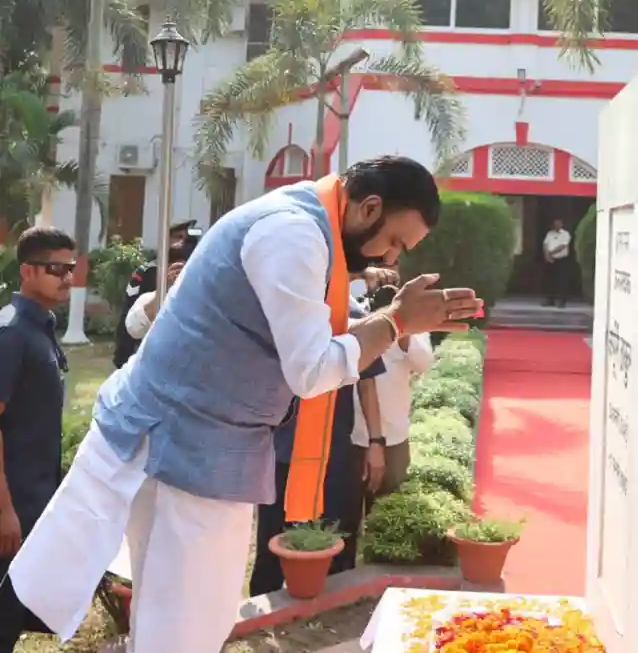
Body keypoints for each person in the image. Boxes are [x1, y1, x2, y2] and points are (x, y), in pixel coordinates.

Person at [8, 157, 482, 653]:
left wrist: (392, 316)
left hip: (180, 444)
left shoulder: (304, 220)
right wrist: (398, 322)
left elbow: (322, 323)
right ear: (369, 207)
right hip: (189, 453)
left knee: (174, 623)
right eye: (394, 242)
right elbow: (314, 369)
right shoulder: (294, 234)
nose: (389, 257)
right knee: (187, 630)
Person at [249, 297, 387, 595]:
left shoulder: (353, 319)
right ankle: (265, 607)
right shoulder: (284, 310)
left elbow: (367, 385)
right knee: (272, 540)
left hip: (334, 449)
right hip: (282, 449)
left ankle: (334, 607)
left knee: (337, 538)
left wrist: (376, 441)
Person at [0, 227, 76, 653]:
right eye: (55, 269)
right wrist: (4, 508)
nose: (66, 277)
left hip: (33, 500)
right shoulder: (11, 335)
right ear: (28, 271)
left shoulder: (40, 329)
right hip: (10, 505)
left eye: (70, 268)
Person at [349, 279, 434, 513]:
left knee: (388, 510)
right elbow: (364, 383)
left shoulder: (416, 330)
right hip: (354, 435)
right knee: (349, 511)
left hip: (395, 435)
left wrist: (404, 333)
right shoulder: (360, 324)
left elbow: (424, 364)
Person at [111, 220, 199, 370]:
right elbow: (132, 313)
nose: (181, 243)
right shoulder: (148, 272)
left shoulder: (197, 272)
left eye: (186, 239)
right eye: (178, 237)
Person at [543, 219, 571, 308]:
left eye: (558, 224)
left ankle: (561, 301)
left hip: (561, 260)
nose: (556, 225)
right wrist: (547, 256)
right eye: (555, 224)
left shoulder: (565, 234)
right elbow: (545, 244)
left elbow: (563, 245)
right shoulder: (550, 234)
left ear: (561, 224)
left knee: (561, 281)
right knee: (550, 281)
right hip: (551, 260)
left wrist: (552, 252)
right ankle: (549, 299)